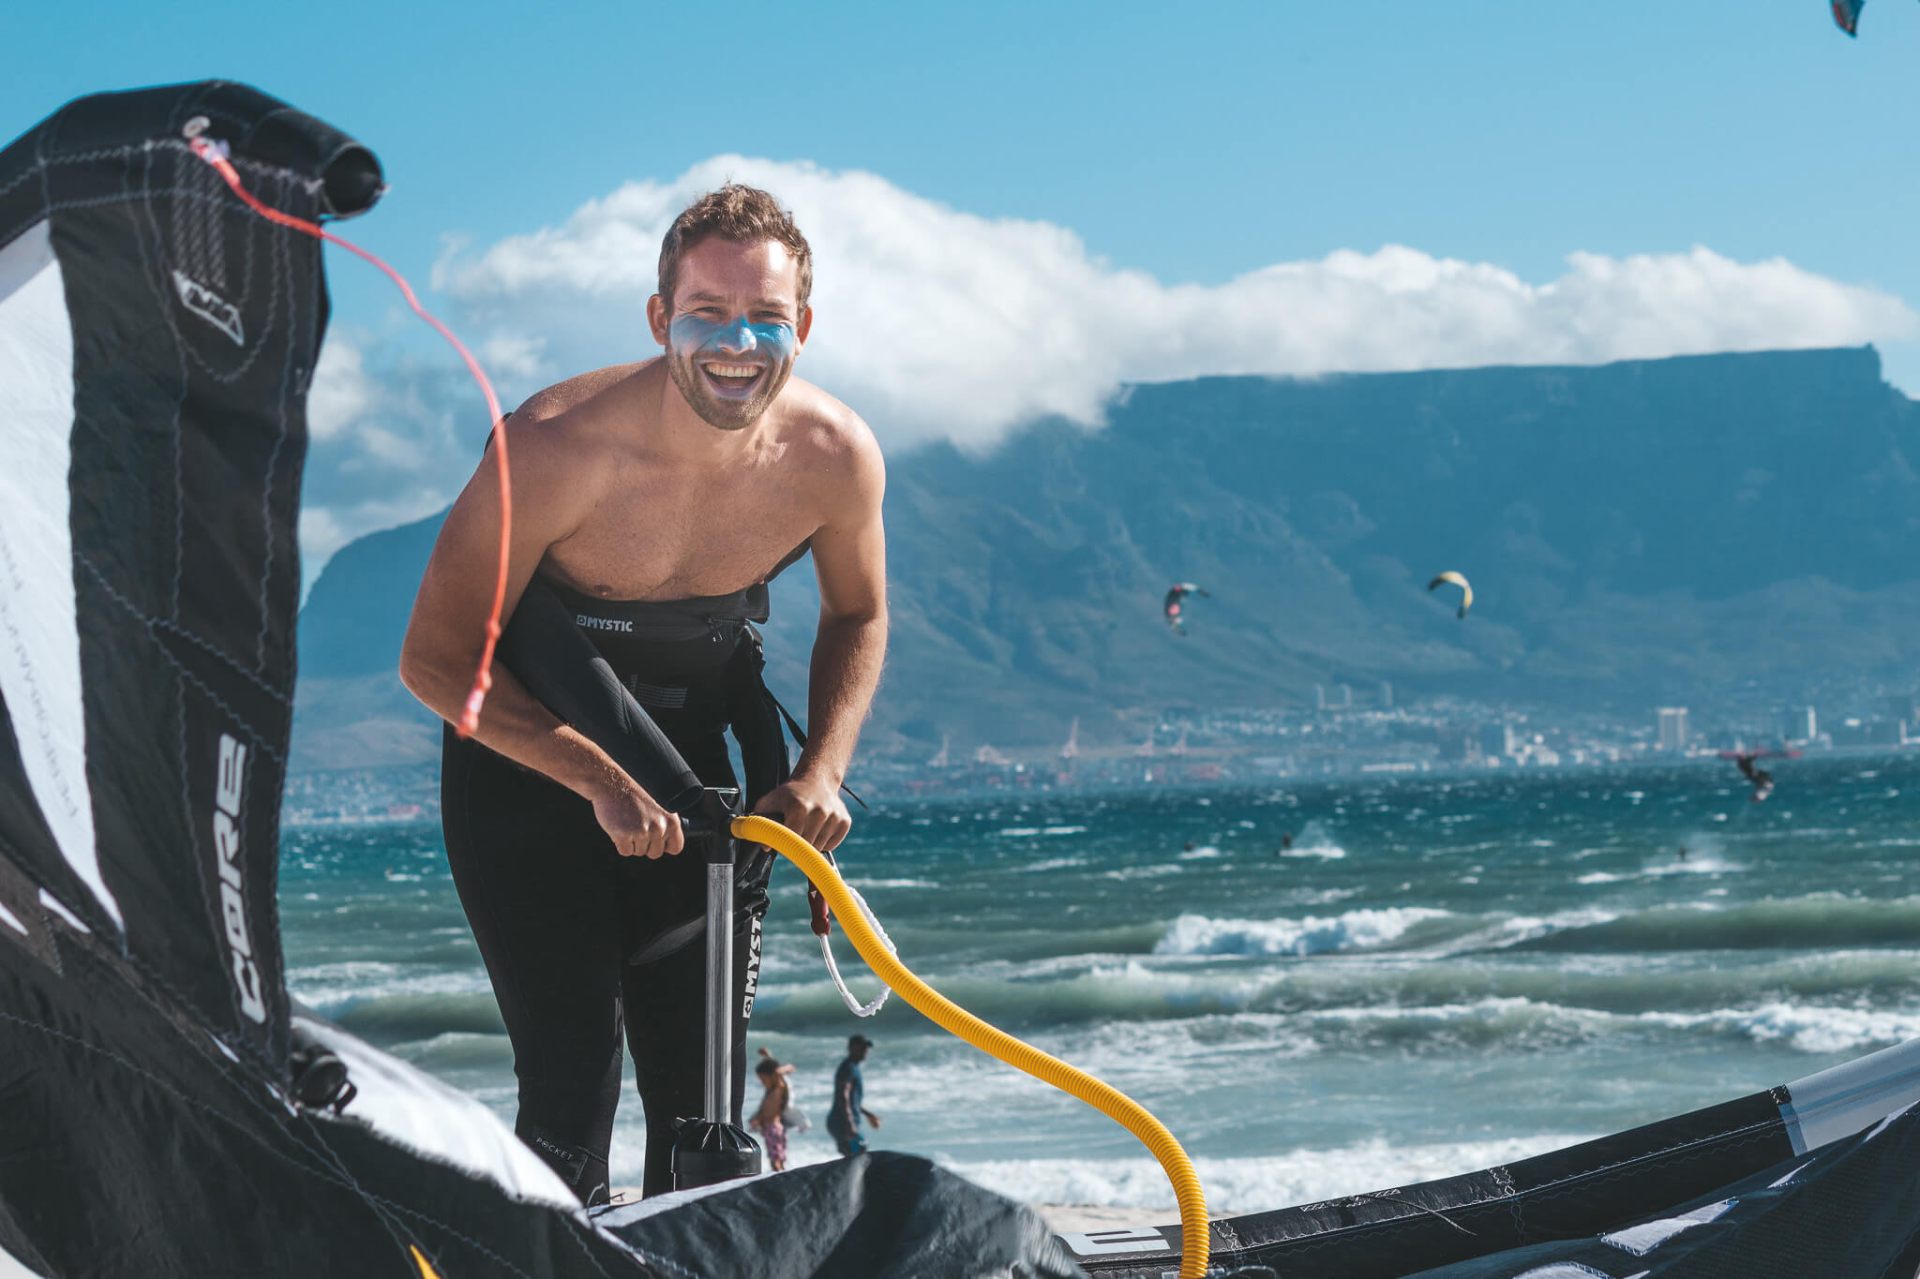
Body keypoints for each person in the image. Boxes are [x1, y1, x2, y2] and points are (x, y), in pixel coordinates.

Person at [399, 184, 889, 1203]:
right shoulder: (552, 449)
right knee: (574, 1078)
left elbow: (858, 615)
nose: (736, 342)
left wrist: (822, 767)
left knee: (703, 1099)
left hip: (693, 757)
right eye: (707, 312)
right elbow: (438, 661)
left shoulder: (834, 457)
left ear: (802, 324)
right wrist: (597, 779)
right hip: (531, 763)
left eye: (764, 316)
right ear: (661, 317)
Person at [828, 1034, 880, 1157]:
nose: (865, 1051)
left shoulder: (853, 1067)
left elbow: (852, 1100)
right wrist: (849, 1122)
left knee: (857, 1156)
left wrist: (868, 1114)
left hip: (843, 1121)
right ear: (852, 1048)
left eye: (866, 1048)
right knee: (859, 1155)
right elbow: (843, 1095)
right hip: (841, 1122)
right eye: (862, 1048)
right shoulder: (848, 1068)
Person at [749, 1048, 796, 1172]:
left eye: (763, 1079)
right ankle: (780, 1177)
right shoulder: (770, 1092)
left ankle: (780, 1178)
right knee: (775, 1158)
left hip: (774, 1129)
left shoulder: (779, 1089)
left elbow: (781, 1070)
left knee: (776, 1160)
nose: (762, 1082)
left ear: (772, 1076)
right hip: (770, 1129)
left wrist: (769, 1057)